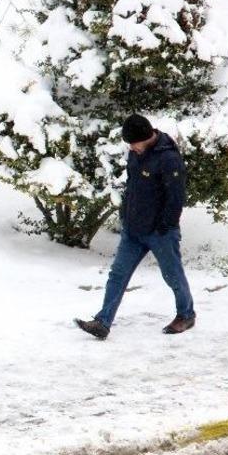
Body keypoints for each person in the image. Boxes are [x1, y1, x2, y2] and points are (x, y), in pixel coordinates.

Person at [75, 114, 196, 340]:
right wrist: (125, 214)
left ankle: (186, 314)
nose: (131, 147)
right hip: (133, 229)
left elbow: (176, 197)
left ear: (147, 137)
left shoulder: (168, 159)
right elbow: (132, 186)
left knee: (172, 275)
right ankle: (103, 322)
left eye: (134, 143)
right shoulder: (136, 153)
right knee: (117, 274)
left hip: (160, 232)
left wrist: (165, 225)